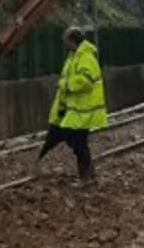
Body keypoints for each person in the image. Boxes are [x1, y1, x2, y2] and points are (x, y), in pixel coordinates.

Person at [38, 25, 107, 186]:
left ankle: (86, 177)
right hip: (72, 110)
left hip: (82, 111)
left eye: (66, 40)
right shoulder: (74, 56)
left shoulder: (86, 57)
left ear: (72, 40)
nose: (63, 43)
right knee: (68, 139)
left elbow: (86, 81)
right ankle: (89, 174)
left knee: (78, 143)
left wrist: (64, 84)